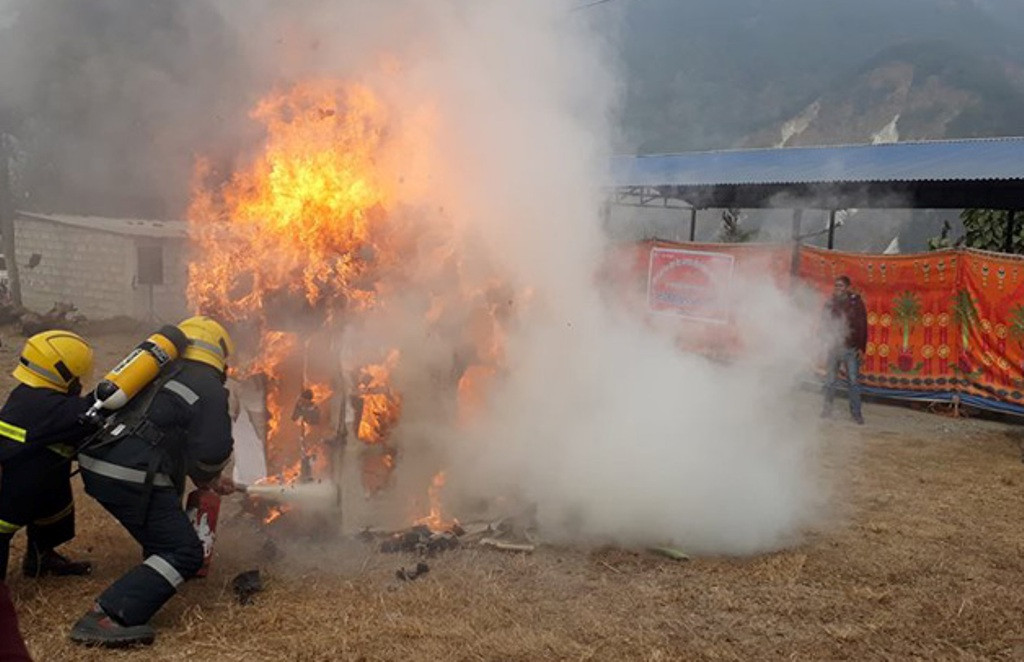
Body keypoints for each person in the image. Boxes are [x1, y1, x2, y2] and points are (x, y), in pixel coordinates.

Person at [70, 316, 236, 648]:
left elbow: (165, 431)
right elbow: (212, 450)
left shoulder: (152, 371)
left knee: (167, 526)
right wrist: (209, 475)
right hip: (129, 473)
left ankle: (157, 564)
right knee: (183, 551)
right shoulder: (208, 385)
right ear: (219, 354)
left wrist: (204, 476)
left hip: (98, 460)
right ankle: (109, 616)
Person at [0, 330, 97, 580]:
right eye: (76, 376)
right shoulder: (44, 405)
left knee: (54, 506)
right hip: (11, 485)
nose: (79, 382)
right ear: (61, 372)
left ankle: (41, 559)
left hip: (34, 478)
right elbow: (84, 415)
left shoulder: (31, 393)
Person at [822, 275, 868, 424]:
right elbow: (824, 322)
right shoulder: (830, 302)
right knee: (830, 381)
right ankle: (827, 410)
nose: (838, 289)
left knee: (853, 382)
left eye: (841, 286)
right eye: (836, 286)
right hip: (834, 347)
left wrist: (861, 348)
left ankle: (856, 414)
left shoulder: (856, 302)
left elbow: (863, 326)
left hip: (850, 348)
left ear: (847, 287)